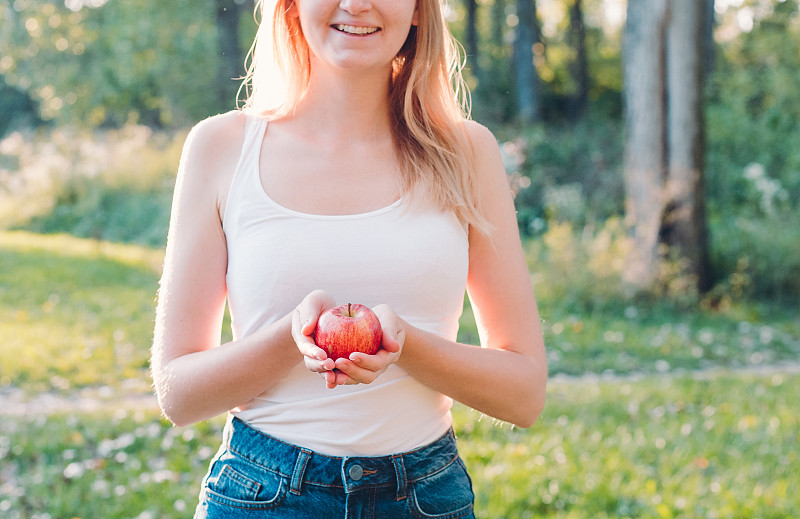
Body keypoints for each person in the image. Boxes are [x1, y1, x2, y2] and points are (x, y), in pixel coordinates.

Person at [150, 0, 547, 517]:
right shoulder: (221, 147)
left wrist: (403, 345)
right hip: (262, 496)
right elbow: (178, 394)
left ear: (420, 10)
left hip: (424, 497)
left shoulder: (467, 154)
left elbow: (523, 394)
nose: (356, 4)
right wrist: (292, 337)